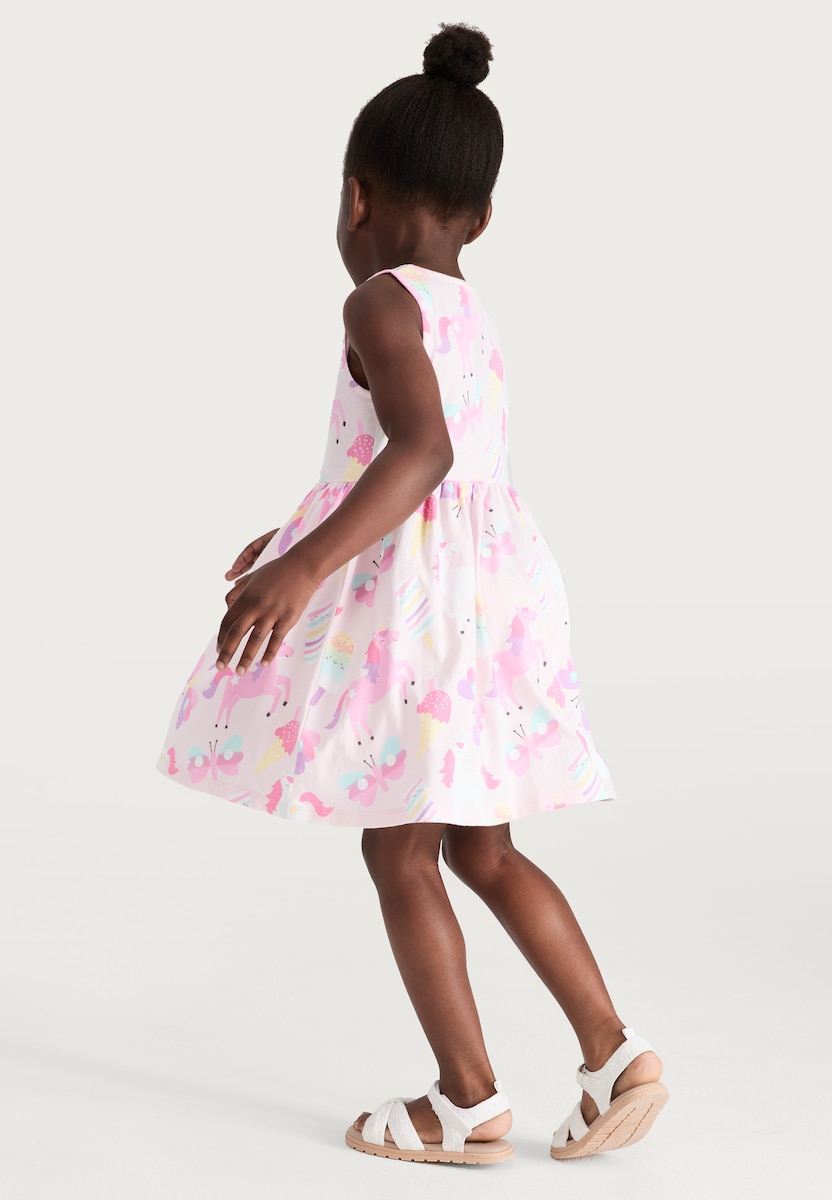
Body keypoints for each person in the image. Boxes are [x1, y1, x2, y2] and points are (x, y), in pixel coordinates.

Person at [154, 22, 667, 1166]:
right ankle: (616, 1055)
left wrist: (303, 567)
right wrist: (302, 529)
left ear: (356, 195)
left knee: (400, 853)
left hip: (423, 621)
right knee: (484, 850)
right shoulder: (470, 309)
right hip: (490, 603)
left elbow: (422, 452)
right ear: (480, 217)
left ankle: (467, 1101)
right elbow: (424, 467)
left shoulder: (379, 301)